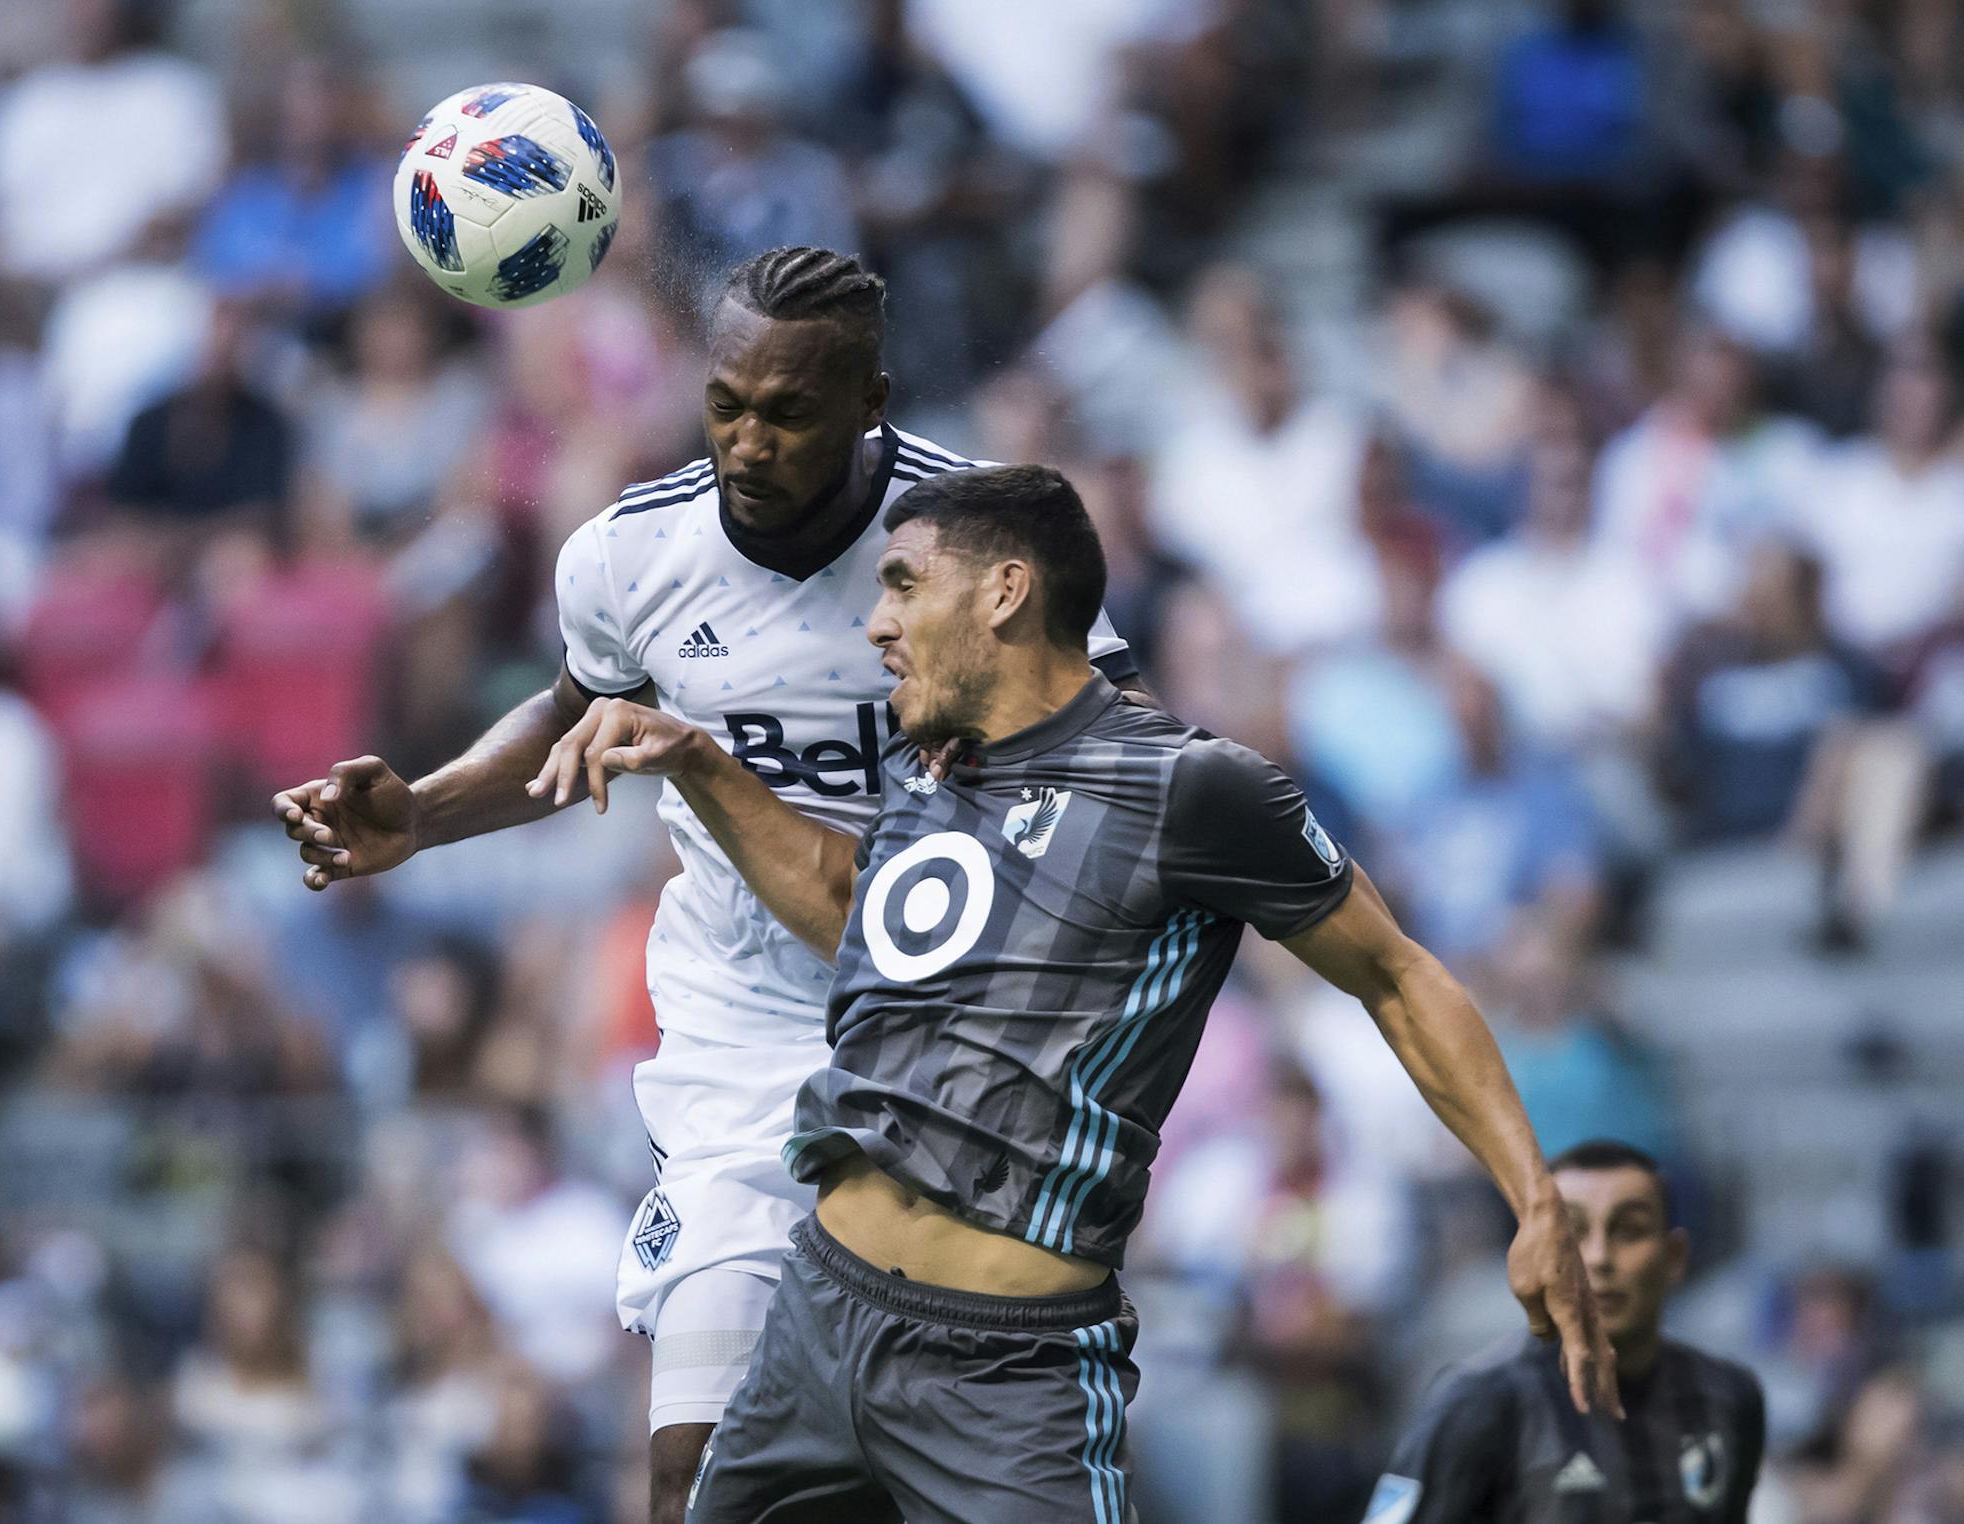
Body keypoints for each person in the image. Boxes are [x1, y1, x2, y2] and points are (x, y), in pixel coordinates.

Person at [529, 464, 1613, 1521]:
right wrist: (704, 766)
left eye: (903, 585)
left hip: (1004, 1369)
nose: (876, 624)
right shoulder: (924, 774)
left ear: (1004, 593)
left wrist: (1535, 1202)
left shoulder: (1189, 787)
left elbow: (1400, 976)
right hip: (818, 1315)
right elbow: (846, 912)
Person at [271, 246, 1137, 1521]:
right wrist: (426, 811)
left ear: (872, 402)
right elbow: (581, 714)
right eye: (727, 402)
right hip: (745, 1050)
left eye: (789, 412)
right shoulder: (628, 558)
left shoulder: (983, 548)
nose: (748, 440)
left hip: (963, 1048)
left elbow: (1103, 765)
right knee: (698, 1474)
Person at [1370, 1139, 1764, 1524]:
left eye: (1629, 1230)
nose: (1599, 1258)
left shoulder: (1729, 1396)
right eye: (1571, 1232)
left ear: (1675, 1257)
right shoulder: (1478, 1404)